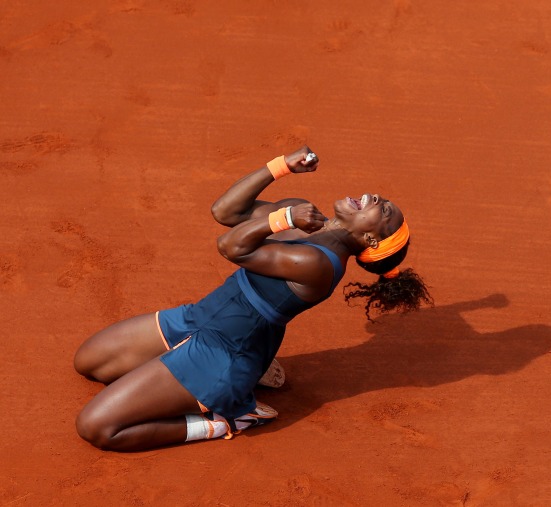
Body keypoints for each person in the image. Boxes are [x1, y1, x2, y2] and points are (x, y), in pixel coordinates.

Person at [74, 146, 432, 451]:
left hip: (222, 358)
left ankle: (226, 420)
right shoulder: (308, 218)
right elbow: (225, 212)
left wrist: (283, 218)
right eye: (382, 200)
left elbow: (230, 247)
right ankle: (253, 370)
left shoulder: (318, 265)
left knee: (97, 426)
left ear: (370, 240)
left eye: (382, 209)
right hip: (201, 318)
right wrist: (280, 167)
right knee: (90, 363)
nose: (374, 198)